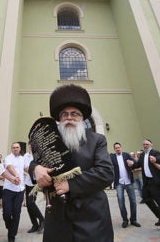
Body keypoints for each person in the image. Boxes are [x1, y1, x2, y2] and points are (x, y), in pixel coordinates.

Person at [30, 84, 114, 242]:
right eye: (64, 114)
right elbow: (35, 162)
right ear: (60, 119)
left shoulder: (97, 140)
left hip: (91, 220)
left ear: (82, 118)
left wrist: (71, 184)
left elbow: (106, 173)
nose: (69, 117)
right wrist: (36, 169)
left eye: (75, 114)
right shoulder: (51, 142)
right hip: (58, 219)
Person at [129, 139, 160, 237]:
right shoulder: (142, 155)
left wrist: (155, 160)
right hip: (147, 183)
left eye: (147, 144)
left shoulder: (155, 152)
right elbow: (137, 165)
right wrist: (132, 164)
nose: (145, 145)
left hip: (156, 183)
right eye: (144, 144)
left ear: (151, 145)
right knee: (146, 199)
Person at [110, 142, 140, 228]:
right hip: (119, 183)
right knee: (121, 202)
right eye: (116, 148)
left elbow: (134, 162)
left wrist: (132, 163)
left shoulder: (126, 155)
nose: (118, 149)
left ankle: (133, 219)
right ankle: (125, 220)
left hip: (128, 182)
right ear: (114, 149)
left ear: (121, 148)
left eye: (119, 147)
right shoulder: (112, 157)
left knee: (133, 201)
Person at [2, 142, 26, 242]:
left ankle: (12, 236)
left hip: (20, 190)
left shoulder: (23, 159)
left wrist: (35, 174)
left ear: (20, 149)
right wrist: (16, 175)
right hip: (8, 189)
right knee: (6, 213)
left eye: (17, 147)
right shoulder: (8, 158)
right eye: (13, 147)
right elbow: (9, 167)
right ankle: (9, 225)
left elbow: (26, 168)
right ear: (11, 149)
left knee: (17, 212)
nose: (15, 149)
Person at [23, 141, 44, 234]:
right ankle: (35, 224)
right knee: (28, 205)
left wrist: (32, 169)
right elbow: (25, 168)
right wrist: (34, 170)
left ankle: (42, 219)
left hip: (35, 183)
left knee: (31, 203)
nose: (31, 147)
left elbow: (40, 168)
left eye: (33, 145)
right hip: (28, 182)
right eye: (30, 145)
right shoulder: (25, 156)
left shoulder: (39, 156)